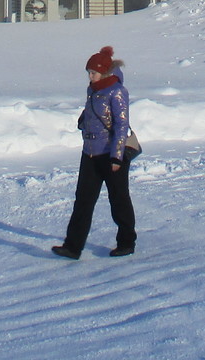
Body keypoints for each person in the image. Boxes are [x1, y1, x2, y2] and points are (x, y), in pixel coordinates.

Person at [52, 45, 137, 259]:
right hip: (89, 153)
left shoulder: (117, 91)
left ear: (105, 72)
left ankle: (126, 242)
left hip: (111, 155)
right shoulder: (93, 89)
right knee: (83, 200)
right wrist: (84, 120)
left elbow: (121, 125)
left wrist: (117, 156)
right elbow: (94, 112)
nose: (90, 77)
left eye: (94, 73)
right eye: (89, 73)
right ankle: (73, 246)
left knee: (118, 199)